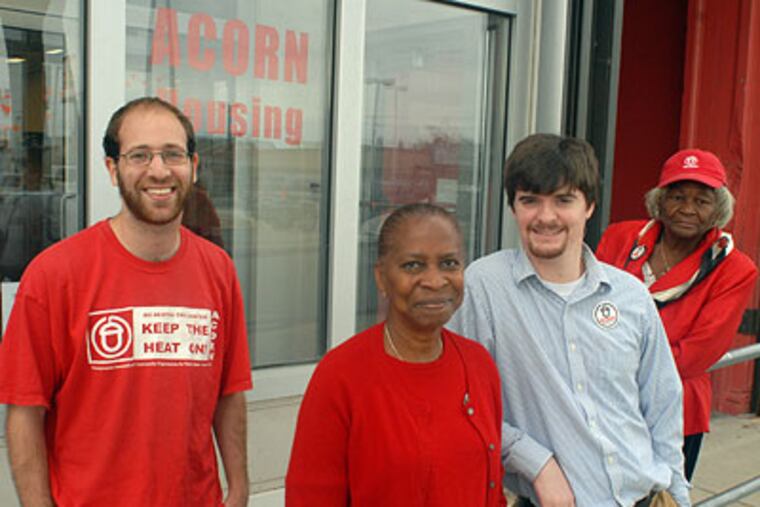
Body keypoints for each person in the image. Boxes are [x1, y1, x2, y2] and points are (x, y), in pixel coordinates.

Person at [0, 97, 253, 506]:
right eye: (139, 155)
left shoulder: (218, 271)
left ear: (193, 165)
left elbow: (229, 393)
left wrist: (239, 486)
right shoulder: (53, 276)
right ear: (112, 168)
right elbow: (25, 412)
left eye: (172, 154)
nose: (158, 170)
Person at [448, 133, 691, 507]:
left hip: (647, 496)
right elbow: (458, 403)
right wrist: (535, 461)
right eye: (530, 201)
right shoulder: (484, 288)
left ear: (589, 206)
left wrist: (677, 493)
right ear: (513, 207)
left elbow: (661, 403)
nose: (546, 217)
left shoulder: (630, 295)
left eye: (564, 200)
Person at [286, 203, 506, 507]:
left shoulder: (478, 364)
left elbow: (491, 490)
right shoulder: (341, 376)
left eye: (449, 263)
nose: (434, 280)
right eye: (413, 265)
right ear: (381, 277)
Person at [596, 148, 758, 481]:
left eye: (702, 201)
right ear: (659, 200)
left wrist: (610, 357)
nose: (687, 209)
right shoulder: (621, 236)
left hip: (672, 408)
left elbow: (694, 355)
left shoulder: (734, 268)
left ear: (718, 209)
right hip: (599, 401)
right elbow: (590, 309)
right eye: (677, 196)